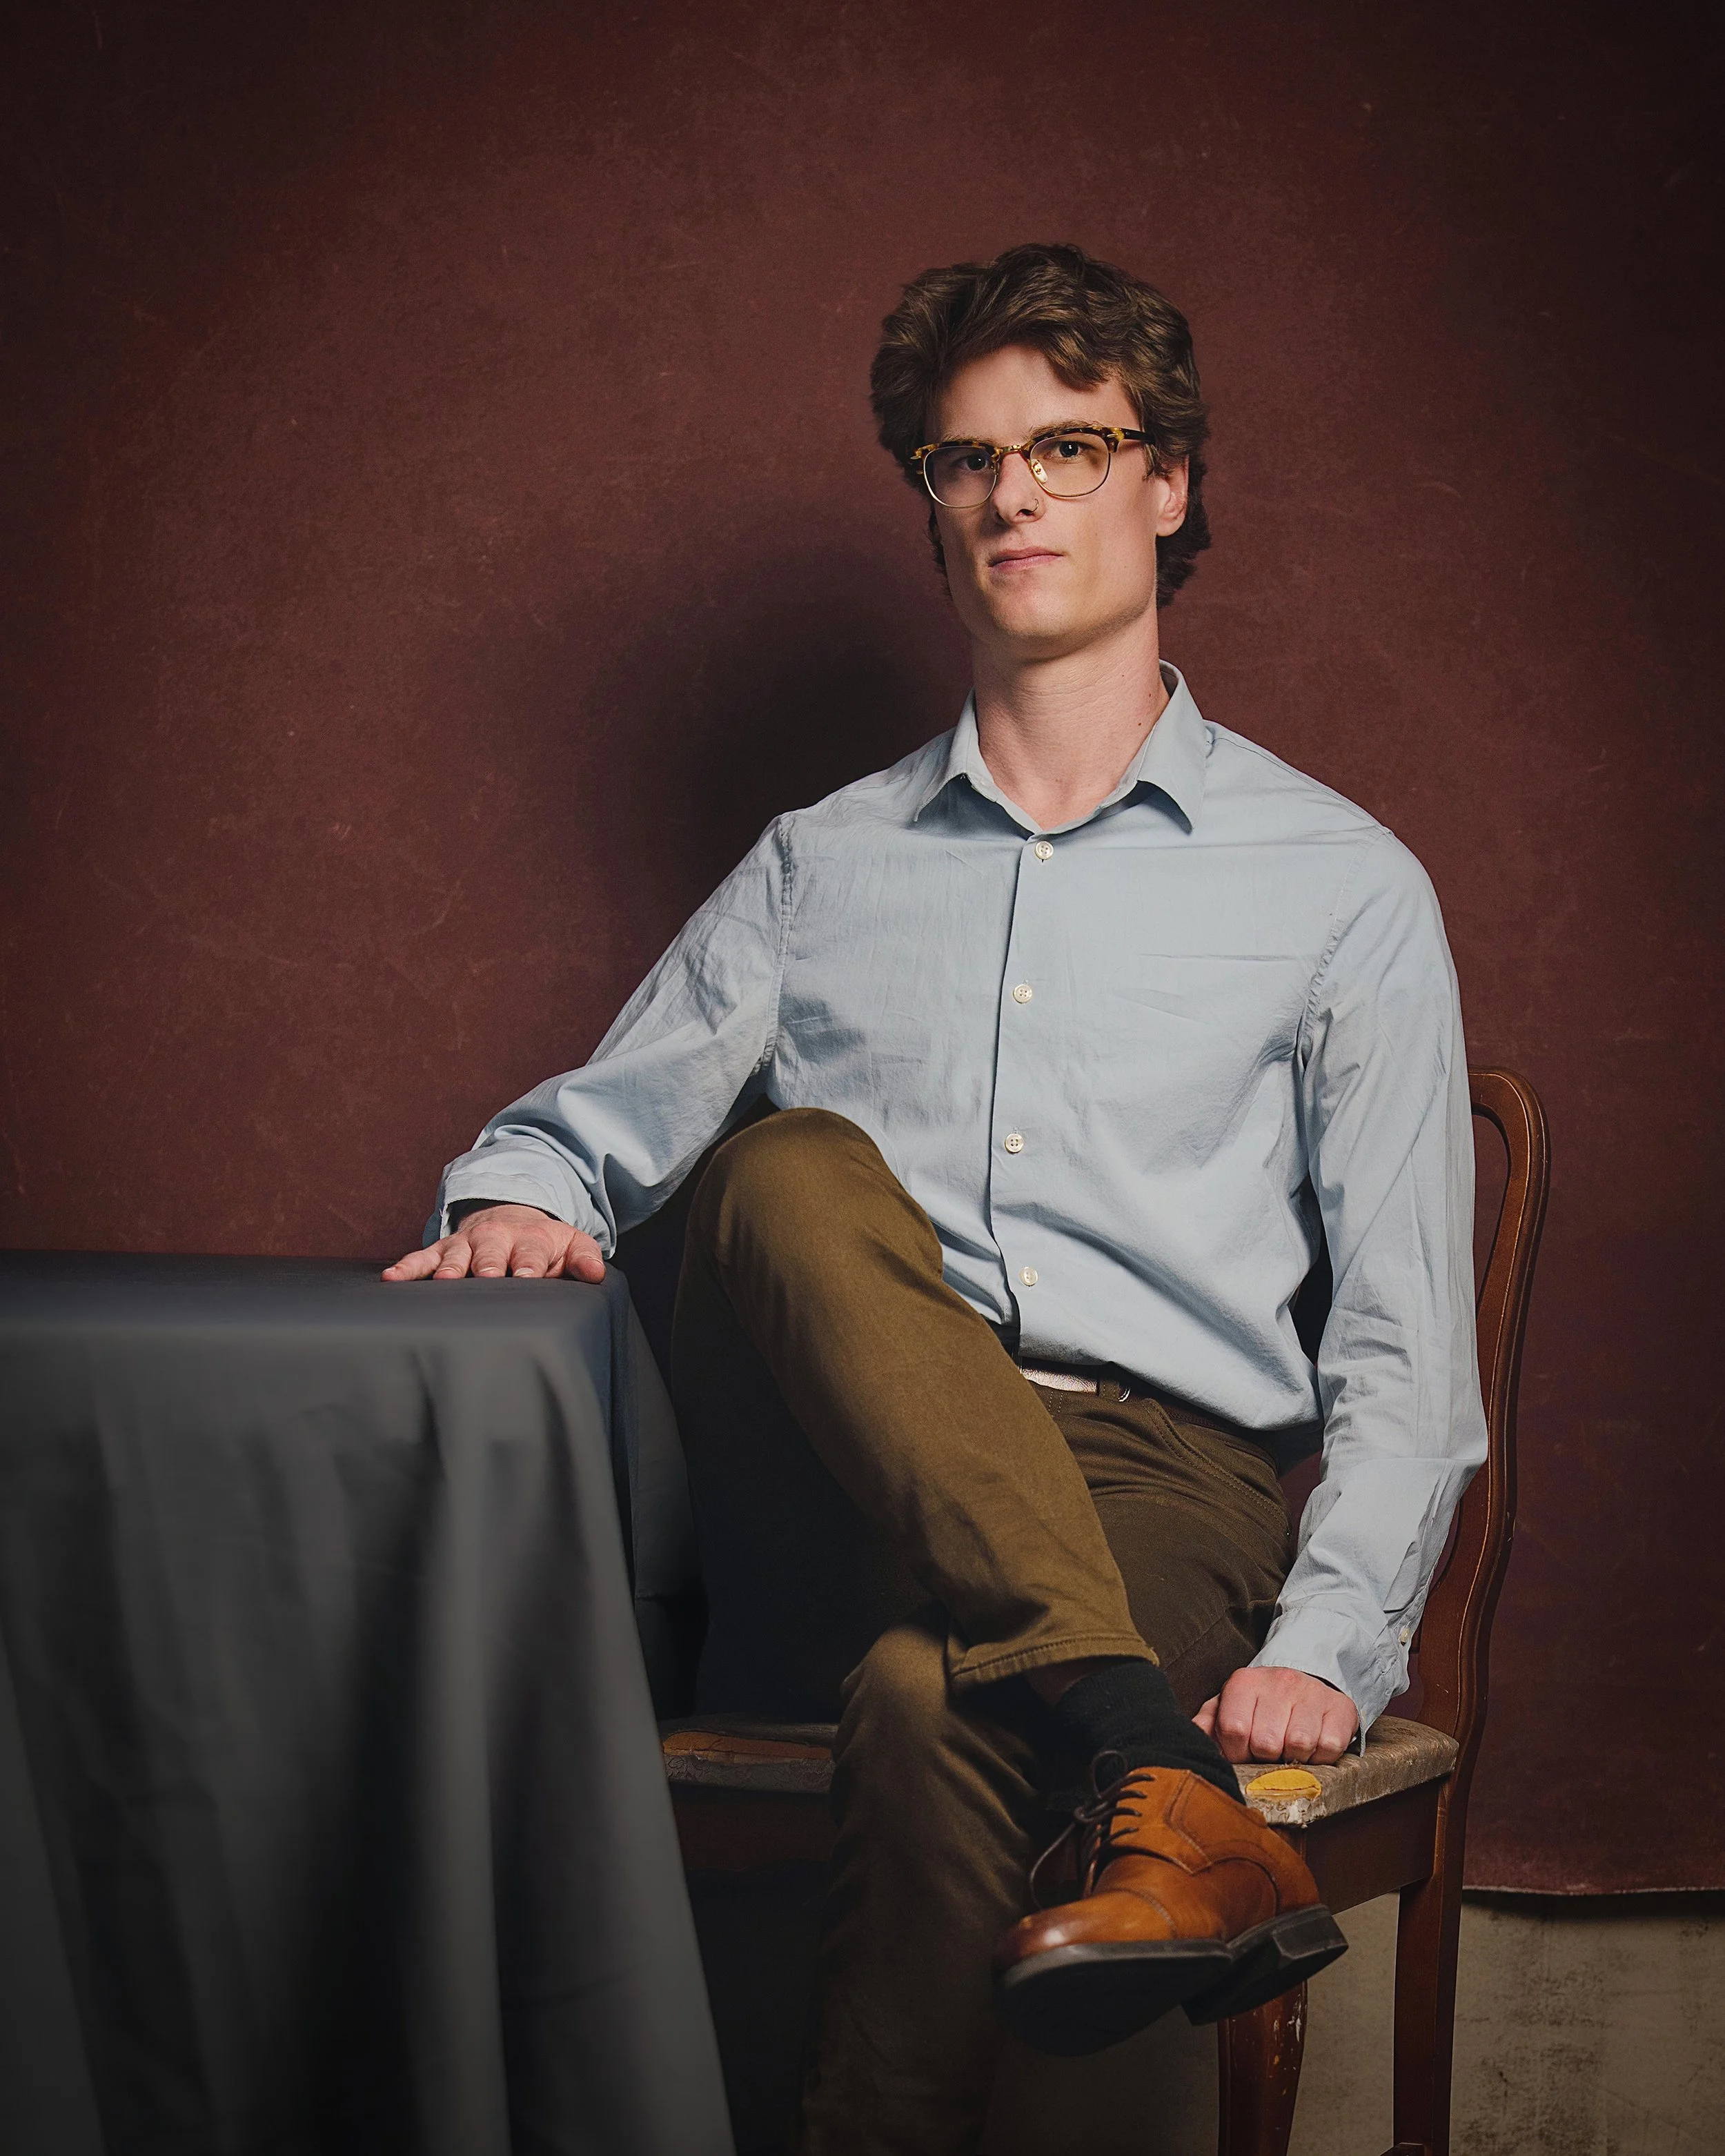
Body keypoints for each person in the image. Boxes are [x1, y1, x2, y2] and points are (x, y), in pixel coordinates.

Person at [384, 241, 1486, 2155]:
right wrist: (526, 1192)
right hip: (827, 1482)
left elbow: (1402, 1335)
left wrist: (1323, 1639)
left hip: (1152, 1488)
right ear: (933, 507)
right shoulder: (818, 865)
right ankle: (1158, 1774)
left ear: (1169, 484)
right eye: (965, 460)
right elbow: (588, 1127)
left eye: (1069, 446)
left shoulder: (1339, 883)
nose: (1009, 496)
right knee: (786, 1172)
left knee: (927, 1693)